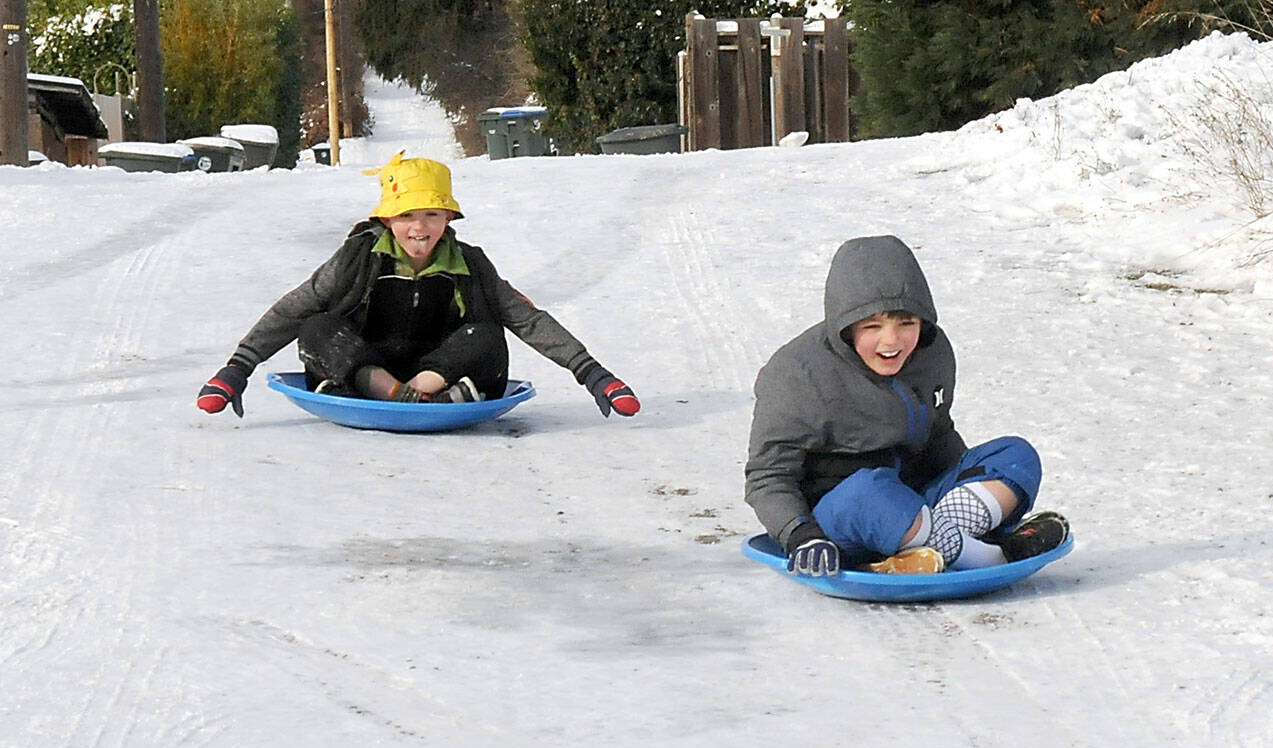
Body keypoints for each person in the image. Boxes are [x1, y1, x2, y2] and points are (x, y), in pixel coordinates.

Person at [197, 152, 640, 419]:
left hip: (442, 368)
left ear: (449, 218)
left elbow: (528, 320)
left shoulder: (469, 264)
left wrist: (594, 375)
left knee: (487, 332)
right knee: (318, 326)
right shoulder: (358, 259)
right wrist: (237, 368)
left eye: (431, 214)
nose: (419, 227)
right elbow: (293, 309)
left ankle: (425, 392)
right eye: (406, 215)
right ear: (387, 220)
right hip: (369, 368)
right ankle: (398, 394)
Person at [745, 235, 1067, 577]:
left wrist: (970, 482)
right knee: (867, 493)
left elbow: (939, 434)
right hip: (839, 520)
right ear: (845, 326)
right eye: (872, 326)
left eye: (906, 324)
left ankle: (930, 546)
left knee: (1015, 455)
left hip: (914, 506)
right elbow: (769, 476)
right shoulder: (798, 374)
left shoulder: (932, 354)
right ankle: (992, 558)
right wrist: (800, 533)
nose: (891, 341)